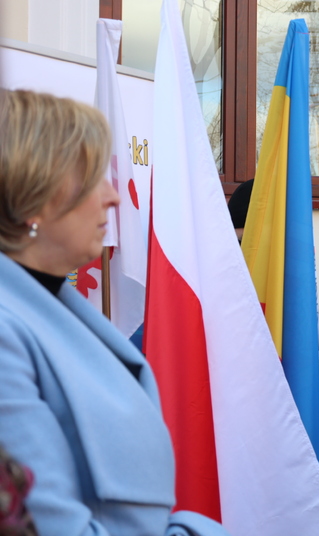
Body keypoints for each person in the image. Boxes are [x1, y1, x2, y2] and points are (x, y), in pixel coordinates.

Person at [0, 90, 230, 536]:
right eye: (92, 179)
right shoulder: (7, 334)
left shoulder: (51, 302)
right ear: (32, 197)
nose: (113, 197)